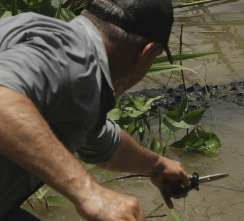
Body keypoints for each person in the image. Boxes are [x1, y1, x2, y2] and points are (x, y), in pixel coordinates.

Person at [0, 0, 190, 220]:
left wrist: (156, 166)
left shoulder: (30, 27)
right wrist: (88, 192)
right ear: (144, 54)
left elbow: (98, 139)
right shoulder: (76, 60)